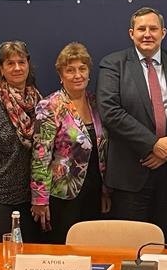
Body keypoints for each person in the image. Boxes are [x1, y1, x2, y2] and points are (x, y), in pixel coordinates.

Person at [97, 7, 167, 245]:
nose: (147, 34)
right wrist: (152, 145)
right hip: (131, 174)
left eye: (153, 29)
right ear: (131, 33)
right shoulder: (113, 64)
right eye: (141, 29)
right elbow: (110, 111)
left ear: (163, 33)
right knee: (131, 248)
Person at [30, 43, 110, 243]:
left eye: (82, 69)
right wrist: (39, 198)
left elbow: (102, 151)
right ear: (61, 75)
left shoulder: (96, 103)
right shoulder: (50, 106)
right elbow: (40, 155)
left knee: (92, 248)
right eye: (70, 70)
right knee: (66, 249)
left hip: (94, 191)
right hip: (63, 194)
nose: (77, 75)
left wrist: (105, 190)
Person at [0, 41, 42, 242]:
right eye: (10, 63)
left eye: (21, 62)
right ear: (1, 69)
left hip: (32, 199)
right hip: (0, 202)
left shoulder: (39, 102)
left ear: (28, 65)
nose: (17, 68)